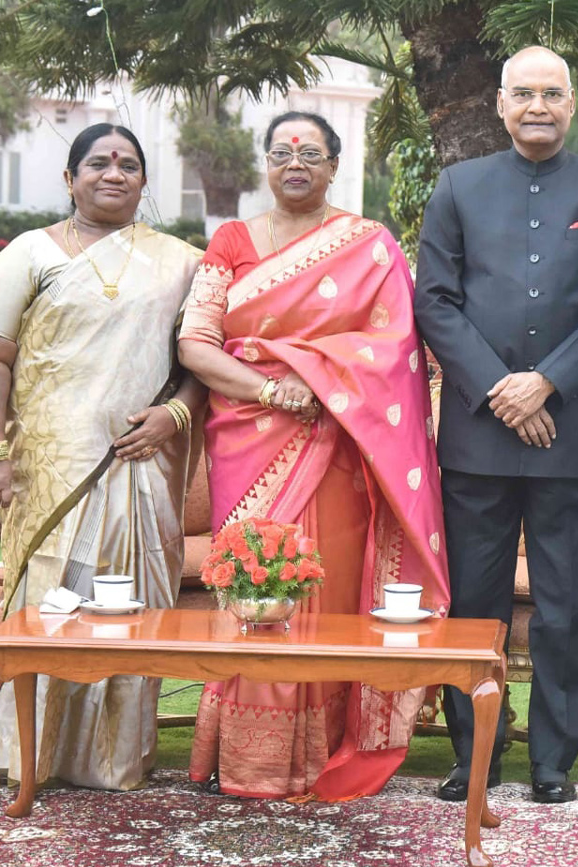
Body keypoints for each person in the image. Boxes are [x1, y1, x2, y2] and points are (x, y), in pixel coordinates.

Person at [179, 111, 449, 800]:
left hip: (335, 444)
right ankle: (241, 759)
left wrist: (319, 382)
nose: (294, 162)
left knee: (321, 587)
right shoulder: (232, 241)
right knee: (252, 586)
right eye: (280, 152)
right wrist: (275, 386)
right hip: (248, 436)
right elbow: (196, 343)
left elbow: (392, 348)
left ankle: (320, 749)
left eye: (310, 153)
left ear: (333, 165)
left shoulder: (369, 245)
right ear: (265, 165)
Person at [414, 45, 578, 804]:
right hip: (479, 437)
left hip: (570, 433)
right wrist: (500, 390)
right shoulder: (459, 187)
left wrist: (545, 384)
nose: (538, 107)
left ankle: (553, 762)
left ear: (573, 104)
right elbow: (436, 303)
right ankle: (470, 753)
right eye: (524, 94)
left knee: (562, 607)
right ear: (502, 105)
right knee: (471, 605)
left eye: (552, 94)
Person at [0, 123, 204, 790]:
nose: (113, 173)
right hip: (53, 465)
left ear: (144, 182)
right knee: (50, 606)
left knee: (129, 608)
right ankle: (28, 757)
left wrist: (175, 414)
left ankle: (114, 761)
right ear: (69, 179)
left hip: (141, 468)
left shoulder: (181, 262)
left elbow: (200, 364)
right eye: (97, 162)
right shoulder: (29, 253)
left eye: (129, 164)